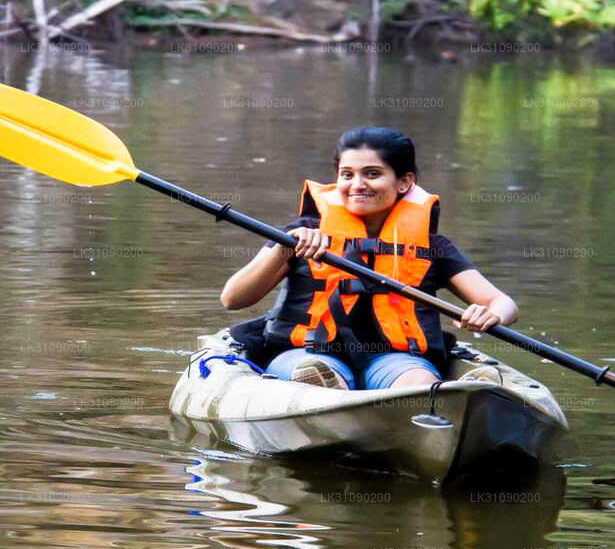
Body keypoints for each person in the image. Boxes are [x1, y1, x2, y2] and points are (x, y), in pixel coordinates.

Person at [219, 127, 518, 390]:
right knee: (315, 375)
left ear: (404, 182)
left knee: (418, 383)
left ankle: (445, 402)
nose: (357, 184)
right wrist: (286, 249)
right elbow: (233, 298)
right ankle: (332, 408)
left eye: (372, 174)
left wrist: (491, 315)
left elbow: (503, 303)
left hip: (396, 360)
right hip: (307, 355)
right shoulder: (302, 234)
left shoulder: (432, 246)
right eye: (347, 174)